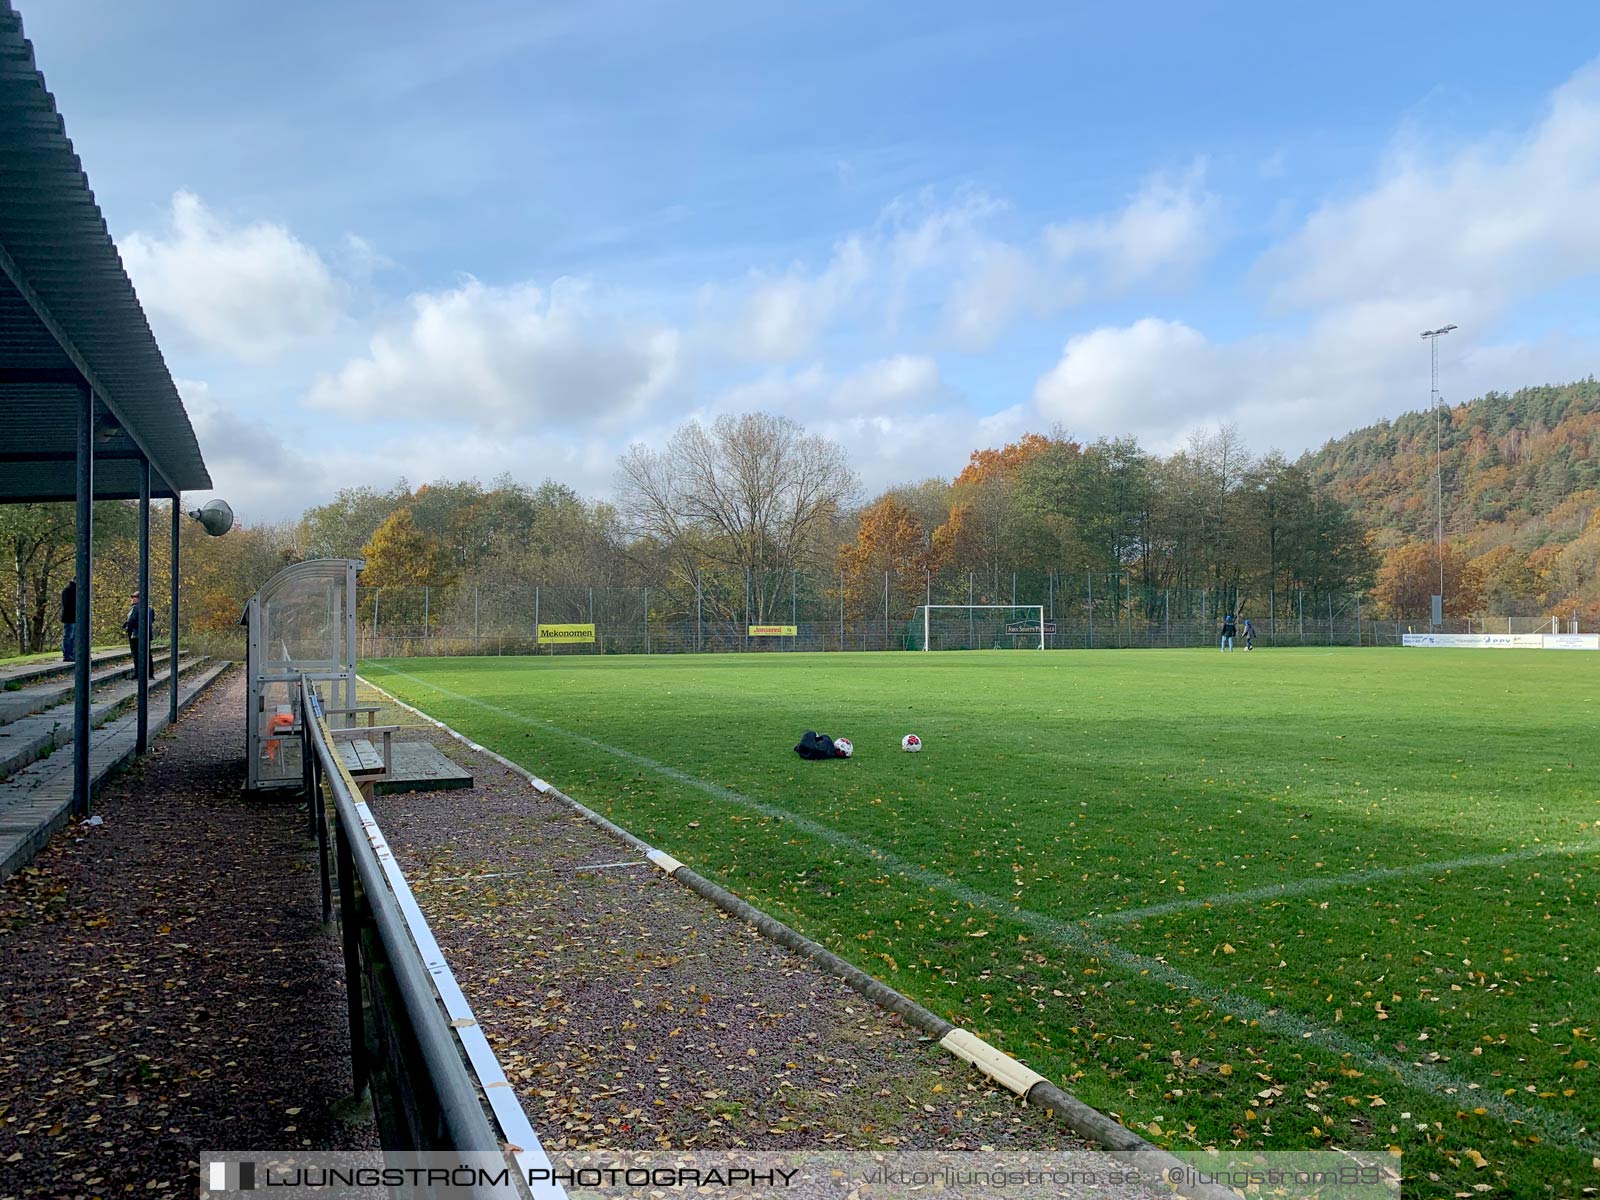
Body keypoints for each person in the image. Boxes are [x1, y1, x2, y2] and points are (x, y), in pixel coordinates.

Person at [122, 593, 156, 673]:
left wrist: (127, 628)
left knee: (136, 655)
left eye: (134, 597)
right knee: (147, 654)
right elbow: (152, 620)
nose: (132, 599)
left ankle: (138, 673)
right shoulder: (150, 609)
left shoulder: (135, 608)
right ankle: (150, 673)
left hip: (136, 634)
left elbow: (131, 620)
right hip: (147, 635)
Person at [60, 578, 77, 662]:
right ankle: (67, 654)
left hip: (75, 617)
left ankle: (72, 653)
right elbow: (66, 604)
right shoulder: (68, 590)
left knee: (73, 637)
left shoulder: (76, 590)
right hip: (69, 617)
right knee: (68, 636)